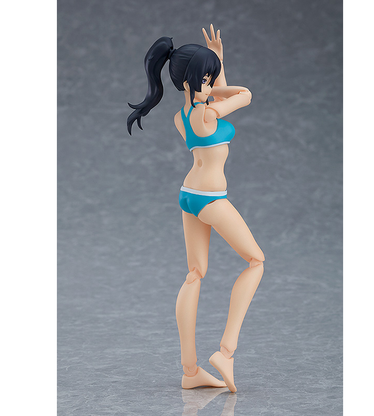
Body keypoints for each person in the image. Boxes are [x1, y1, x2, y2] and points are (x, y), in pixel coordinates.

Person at [128, 25, 265, 393]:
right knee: (256, 261)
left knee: (194, 273)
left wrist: (215, 64)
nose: (210, 82)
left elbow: (214, 96)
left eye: (209, 76)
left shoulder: (184, 115)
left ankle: (190, 372)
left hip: (189, 194)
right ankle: (226, 352)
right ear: (189, 79)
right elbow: (244, 95)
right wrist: (216, 74)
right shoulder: (208, 115)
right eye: (204, 77)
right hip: (210, 197)